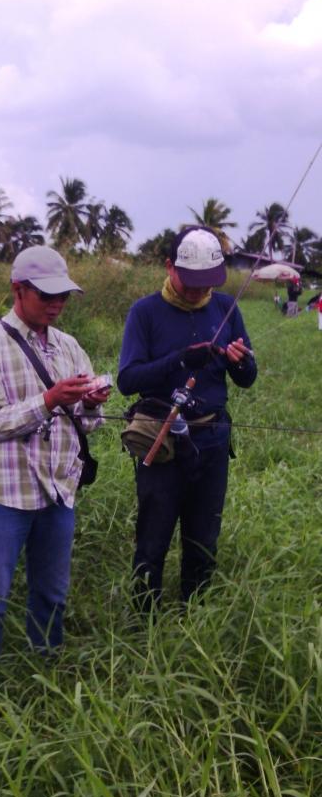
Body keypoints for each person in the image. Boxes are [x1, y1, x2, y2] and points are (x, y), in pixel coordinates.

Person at [0, 246, 110, 674]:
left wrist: (92, 403)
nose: (56, 304)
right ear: (17, 289)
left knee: (52, 594)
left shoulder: (68, 346)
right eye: (46, 295)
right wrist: (48, 400)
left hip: (58, 491)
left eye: (62, 295)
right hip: (3, 495)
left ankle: (46, 673)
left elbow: (86, 422)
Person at [117, 226, 257, 611]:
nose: (198, 292)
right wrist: (180, 358)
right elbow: (128, 380)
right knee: (153, 539)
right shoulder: (145, 313)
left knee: (203, 538)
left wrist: (243, 362)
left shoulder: (226, 306)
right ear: (169, 267)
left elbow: (247, 379)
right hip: (162, 443)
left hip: (212, 441)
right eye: (190, 282)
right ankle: (144, 619)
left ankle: (195, 616)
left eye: (206, 283)